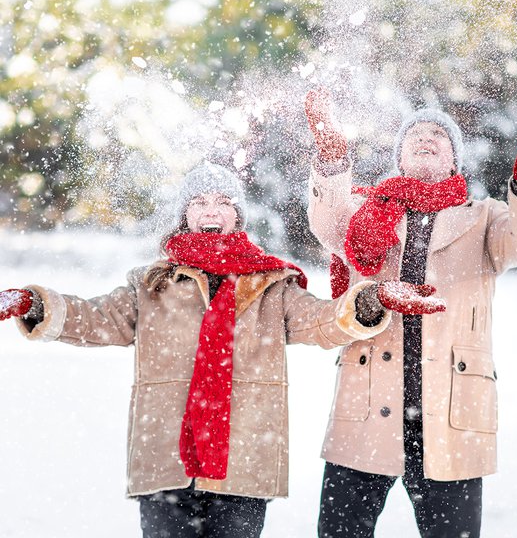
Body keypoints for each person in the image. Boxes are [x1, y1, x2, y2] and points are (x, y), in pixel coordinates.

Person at [0, 161, 447, 538]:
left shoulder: (273, 286)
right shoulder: (151, 283)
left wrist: (371, 300)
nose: (211, 210)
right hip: (166, 461)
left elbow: (323, 321)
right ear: (184, 215)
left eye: (222, 202)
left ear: (238, 216)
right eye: (199, 202)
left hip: (244, 462)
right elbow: (96, 319)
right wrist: (35, 304)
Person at [304, 89, 517, 538]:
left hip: (451, 412)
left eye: (439, 136)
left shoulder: (484, 218)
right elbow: (327, 221)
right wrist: (331, 158)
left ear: (454, 162)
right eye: (415, 136)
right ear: (399, 160)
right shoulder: (365, 213)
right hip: (368, 407)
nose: (426, 138)